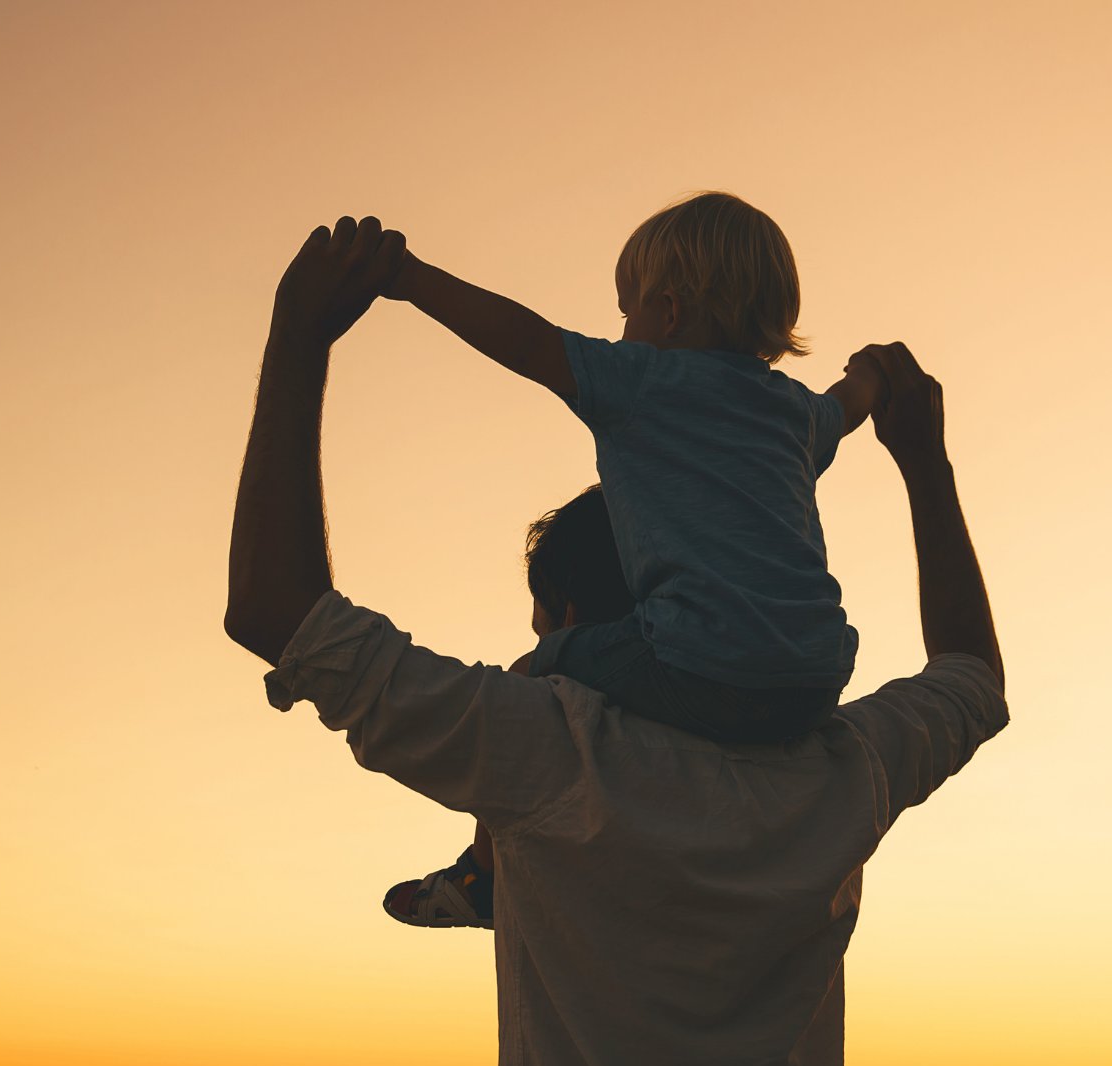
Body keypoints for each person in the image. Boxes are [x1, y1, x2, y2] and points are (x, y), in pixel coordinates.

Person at [226, 217, 1008, 1066]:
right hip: (817, 675)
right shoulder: (848, 773)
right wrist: (924, 459)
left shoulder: (551, 755)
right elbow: (973, 677)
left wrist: (304, 330)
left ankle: (474, 880)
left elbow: (276, 611)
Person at [379, 192, 888, 925]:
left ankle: (479, 878)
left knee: (535, 671)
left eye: (628, 311)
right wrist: (873, 372)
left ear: (670, 313)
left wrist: (411, 278)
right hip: (816, 678)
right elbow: (850, 403)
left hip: (698, 662)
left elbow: (523, 339)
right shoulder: (796, 414)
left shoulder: (643, 382)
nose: (620, 331)